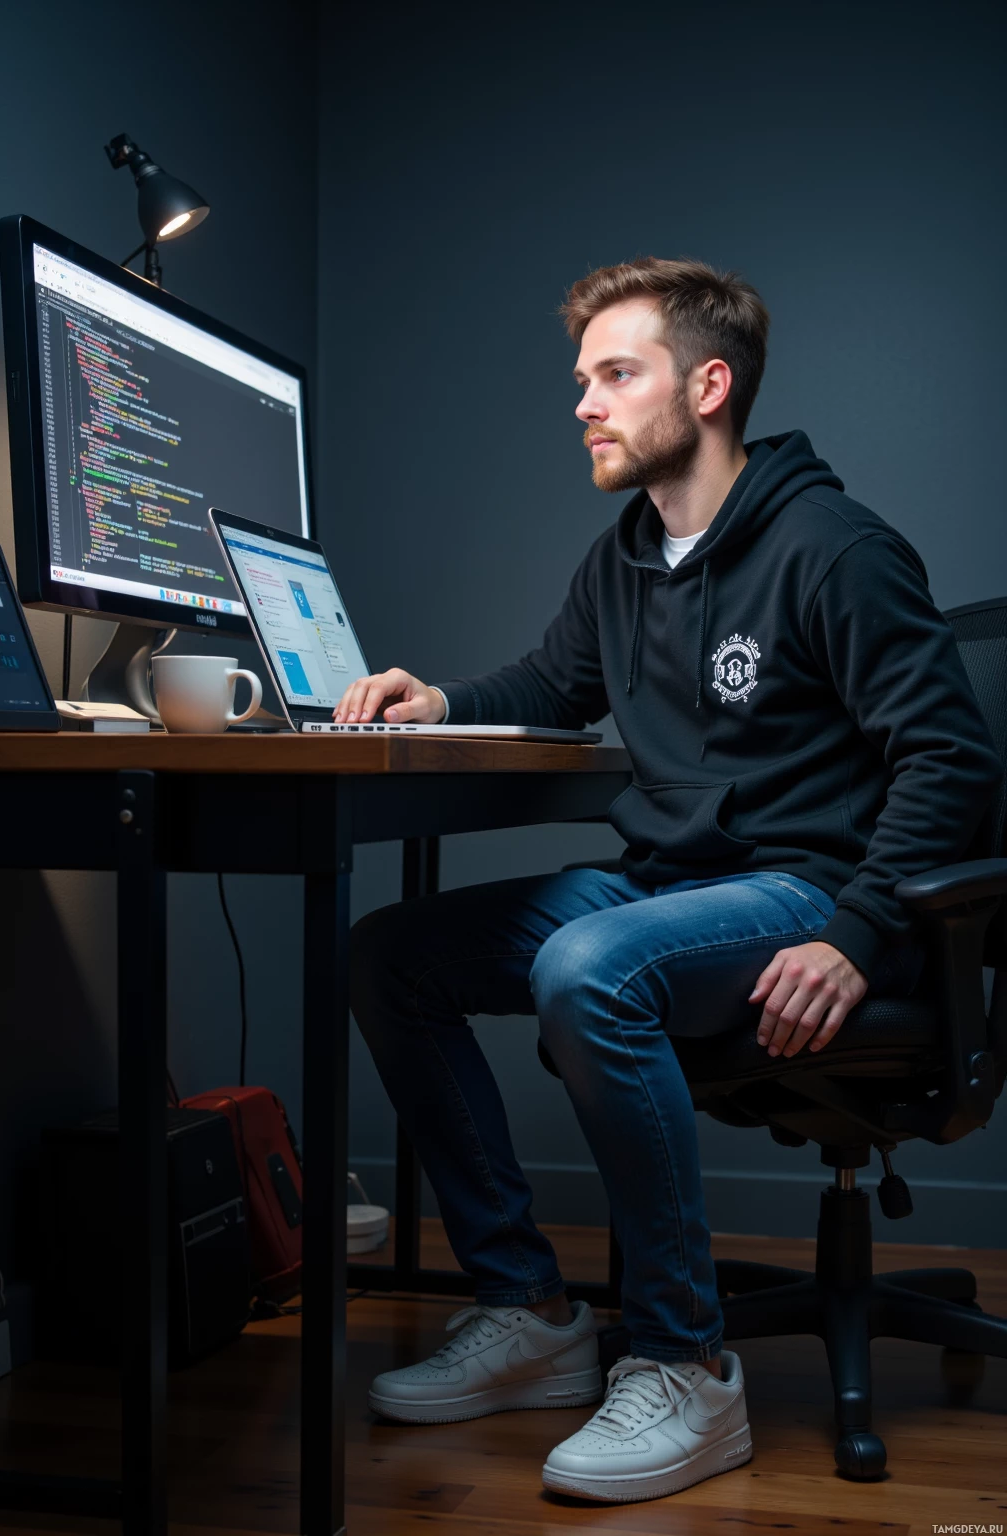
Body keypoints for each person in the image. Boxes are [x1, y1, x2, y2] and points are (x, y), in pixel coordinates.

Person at [340, 258, 1001, 1504]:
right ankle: (530, 1314)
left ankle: (687, 1367)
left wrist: (861, 932)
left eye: (613, 374)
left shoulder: (832, 546)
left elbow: (951, 754)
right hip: (673, 892)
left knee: (586, 967)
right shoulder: (628, 554)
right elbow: (549, 688)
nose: (582, 403)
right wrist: (438, 700)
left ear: (706, 385)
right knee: (391, 952)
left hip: (815, 894)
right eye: (581, 378)